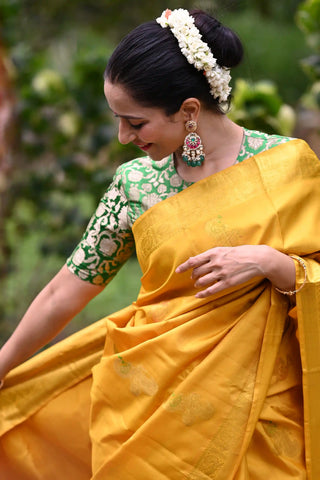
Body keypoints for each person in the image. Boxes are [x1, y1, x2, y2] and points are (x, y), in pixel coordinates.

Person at [0, 7, 319, 480]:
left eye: (136, 122)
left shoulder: (288, 168)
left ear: (189, 110)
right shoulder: (134, 185)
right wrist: (3, 364)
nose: (124, 136)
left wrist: (272, 263)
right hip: (148, 405)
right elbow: (65, 289)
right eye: (117, 120)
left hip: (265, 417)